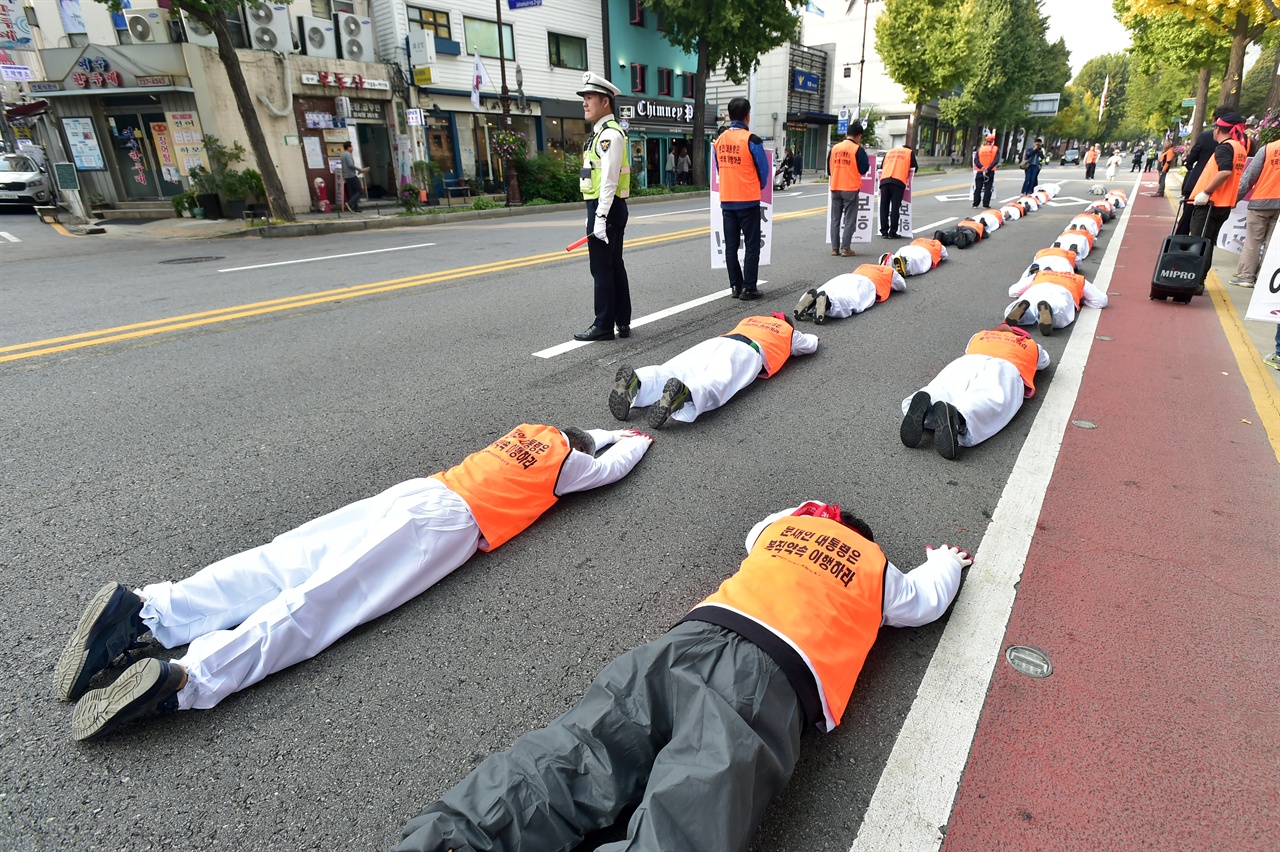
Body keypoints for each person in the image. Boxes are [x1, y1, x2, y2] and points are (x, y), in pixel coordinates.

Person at [393, 501, 972, 852]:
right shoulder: (873, 568)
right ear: (865, 540)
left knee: (579, 750)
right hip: (766, 680)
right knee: (693, 804)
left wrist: (801, 516)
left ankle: (453, 839)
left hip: (684, 642)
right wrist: (947, 560)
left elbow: (756, 532)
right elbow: (922, 601)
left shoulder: (776, 535)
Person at [56, 424, 655, 740]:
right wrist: (634, 439)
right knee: (324, 600)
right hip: (446, 525)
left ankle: (147, 613)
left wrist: (594, 430)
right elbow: (606, 468)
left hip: (422, 489)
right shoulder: (566, 465)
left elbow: (579, 442)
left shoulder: (524, 432)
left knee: (282, 560)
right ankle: (187, 680)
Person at [608, 312, 818, 428]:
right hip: (746, 351)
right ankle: (687, 394)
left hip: (717, 342)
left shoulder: (751, 319)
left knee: (676, 368)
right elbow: (810, 344)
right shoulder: (787, 331)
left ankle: (639, 381)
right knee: (718, 379)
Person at [900, 323, 1050, 460]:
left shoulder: (980, 336)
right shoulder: (1032, 345)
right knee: (989, 396)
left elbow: (968, 349)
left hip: (969, 361)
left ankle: (930, 399)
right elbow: (1044, 362)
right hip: (1005, 366)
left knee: (947, 386)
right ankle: (959, 416)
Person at [573, 72, 632, 342]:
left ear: (605, 102)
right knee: (613, 265)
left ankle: (604, 324)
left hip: (605, 208)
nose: (585, 103)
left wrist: (599, 217)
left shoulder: (609, 136)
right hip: (606, 208)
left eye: (589, 98)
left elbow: (608, 181)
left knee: (602, 268)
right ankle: (621, 320)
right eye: (584, 98)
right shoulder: (599, 135)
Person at [714, 97, 771, 300]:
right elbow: (763, 171)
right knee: (751, 245)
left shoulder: (719, 141)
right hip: (748, 199)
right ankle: (749, 287)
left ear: (729, 116)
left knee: (731, 246)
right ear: (748, 115)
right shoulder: (751, 139)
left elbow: (719, 168)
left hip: (727, 201)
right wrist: (759, 186)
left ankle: (735, 286)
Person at [1189, 113, 1249, 272]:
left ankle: (1195, 279)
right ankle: (1199, 279)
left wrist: (1206, 192)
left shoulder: (1225, 147)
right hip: (1224, 205)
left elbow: (1225, 172)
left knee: (1199, 243)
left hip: (1210, 204)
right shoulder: (1240, 148)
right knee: (1208, 243)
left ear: (1217, 130)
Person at [1228, 134, 1280, 288]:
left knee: (1253, 241)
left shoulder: (1268, 149)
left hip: (1261, 202)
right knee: (1274, 244)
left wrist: (1234, 199)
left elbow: (1249, 178)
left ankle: (1246, 277)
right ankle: (1266, 280)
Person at [1004, 267, 1109, 336]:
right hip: (1063, 291)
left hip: (1038, 288)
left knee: (1029, 302)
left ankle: (1020, 310)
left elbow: (1013, 291)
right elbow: (1101, 301)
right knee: (1060, 312)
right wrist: (1082, 300)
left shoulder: (1041, 274)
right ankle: (1050, 310)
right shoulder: (1077, 278)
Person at [1176, 106, 1231, 235]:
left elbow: (1192, 157)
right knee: (1209, 232)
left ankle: (1178, 249)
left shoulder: (1207, 136)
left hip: (1199, 184)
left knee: (1186, 221)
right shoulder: (1239, 142)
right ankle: (1203, 252)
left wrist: (1189, 166)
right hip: (1223, 192)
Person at [793, 262, 906, 323]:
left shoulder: (864, 265)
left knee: (830, 289)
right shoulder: (889, 271)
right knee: (852, 299)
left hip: (847, 277)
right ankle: (828, 303)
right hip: (867, 283)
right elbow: (901, 285)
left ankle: (810, 301)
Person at [828, 122, 870, 256]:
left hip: (835, 187)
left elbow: (829, 170)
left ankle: (835, 248)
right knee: (849, 220)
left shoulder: (834, 148)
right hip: (850, 188)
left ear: (847, 134)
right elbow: (864, 169)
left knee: (835, 219)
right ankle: (845, 248)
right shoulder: (857, 149)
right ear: (859, 136)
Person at [879, 144, 917, 238]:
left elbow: (882, 166)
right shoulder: (909, 152)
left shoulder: (889, 152)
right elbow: (914, 168)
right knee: (895, 207)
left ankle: (884, 232)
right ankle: (892, 232)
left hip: (884, 180)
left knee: (884, 206)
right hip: (898, 181)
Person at [881, 236, 948, 277]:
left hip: (909, 248)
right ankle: (905, 263)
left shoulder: (919, 239)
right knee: (918, 263)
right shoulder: (937, 243)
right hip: (924, 251)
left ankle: (890, 260)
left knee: (901, 254)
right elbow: (944, 255)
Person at [339, 141, 368, 213]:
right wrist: (360, 169)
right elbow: (350, 165)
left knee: (353, 192)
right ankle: (350, 203)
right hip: (351, 175)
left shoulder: (342, 155)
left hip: (346, 176)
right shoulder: (348, 154)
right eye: (351, 147)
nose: (353, 148)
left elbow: (344, 166)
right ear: (348, 147)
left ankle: (355, 208)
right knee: (360, 191)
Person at [972, 133, 999, 208]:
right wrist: (988, 168)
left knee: (978, 188)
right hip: (990, 172)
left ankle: (975, 204)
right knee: (988, 188)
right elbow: (996, 161)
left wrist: (982, 167)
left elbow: (976, 160)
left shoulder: (980, 149)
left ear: (986, 140)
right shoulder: (995, 149)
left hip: (980, 171)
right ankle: (985, 204)